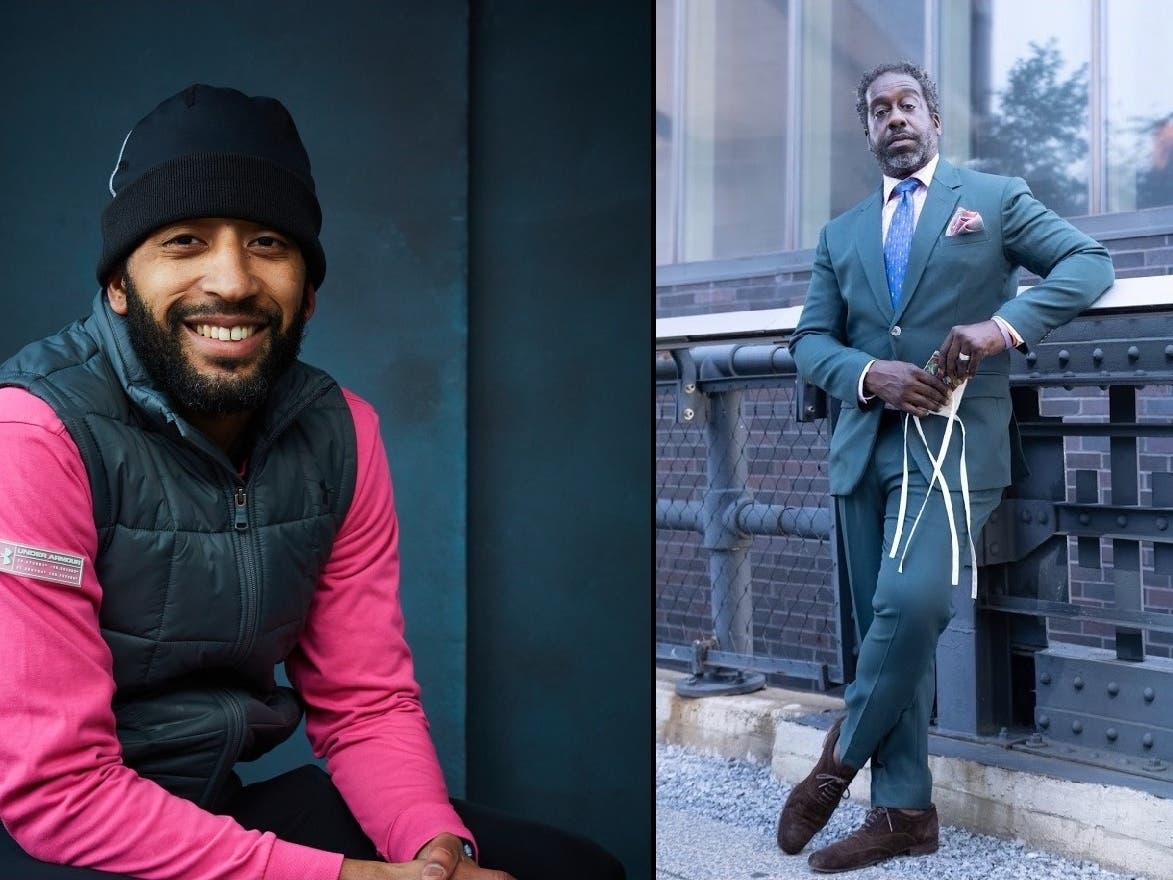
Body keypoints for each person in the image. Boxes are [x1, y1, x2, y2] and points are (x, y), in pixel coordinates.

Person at [0, 84, 625, 880]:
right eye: (185, 241)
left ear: (309, 292)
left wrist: (434, 854)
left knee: (577, 871)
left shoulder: (340, 433)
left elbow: (364, 703)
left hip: (212, 811)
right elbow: (55, 792)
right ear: (118, 284)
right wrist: (348, 877)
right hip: (57, 842)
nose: (232, 281)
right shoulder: (35, 435)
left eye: (267, 243)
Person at [781, 62, 1113, 873]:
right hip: (863, 447)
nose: (894, 118)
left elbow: (1087, 263)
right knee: (887, 629)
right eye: (878, 110)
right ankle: (903, 814)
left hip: (954, 444)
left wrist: (1001, 328)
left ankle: (837, 760)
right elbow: (809, 341)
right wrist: (868, 374)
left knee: (913, 601)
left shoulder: (993, 199)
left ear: (932, 118)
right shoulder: (840, 233)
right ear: (867, 130)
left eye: (907, 105)